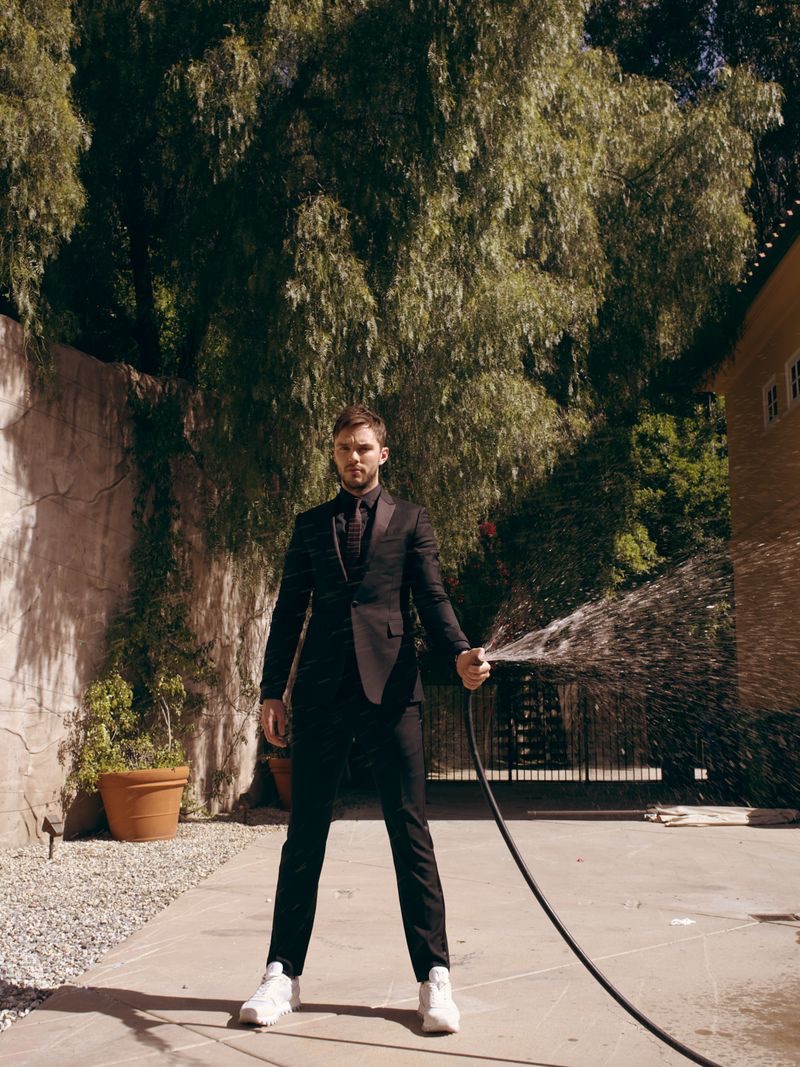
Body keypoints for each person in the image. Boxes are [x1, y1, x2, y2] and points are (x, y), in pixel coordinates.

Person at [239, 404, 491, 1034]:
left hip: (394, 692)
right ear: (334, 454)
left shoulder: (412, 520)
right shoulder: (308, 526)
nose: (354, 457)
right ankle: (281, 974)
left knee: (411, 834)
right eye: (344, 448)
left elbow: (431, 597)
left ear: (384, 453)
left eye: (364, 447)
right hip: (322, 693)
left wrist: (461, 652)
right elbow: (288, 609)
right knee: (305, 837)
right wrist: (274, 691)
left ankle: (434, 979)